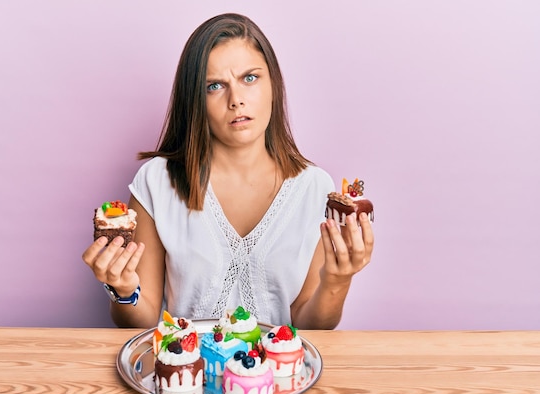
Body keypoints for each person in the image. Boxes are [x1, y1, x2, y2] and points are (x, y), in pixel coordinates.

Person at [82, 13, 374, 329]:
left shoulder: (315, 188)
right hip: (186, 372)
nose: (236, 100)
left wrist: (337, 280)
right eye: (215, 86)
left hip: (276, 375)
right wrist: (124, 291)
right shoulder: (157, 182)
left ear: (273, 84)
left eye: (250, 78)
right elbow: (140, 320)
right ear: (195, 99)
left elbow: (310, 326)